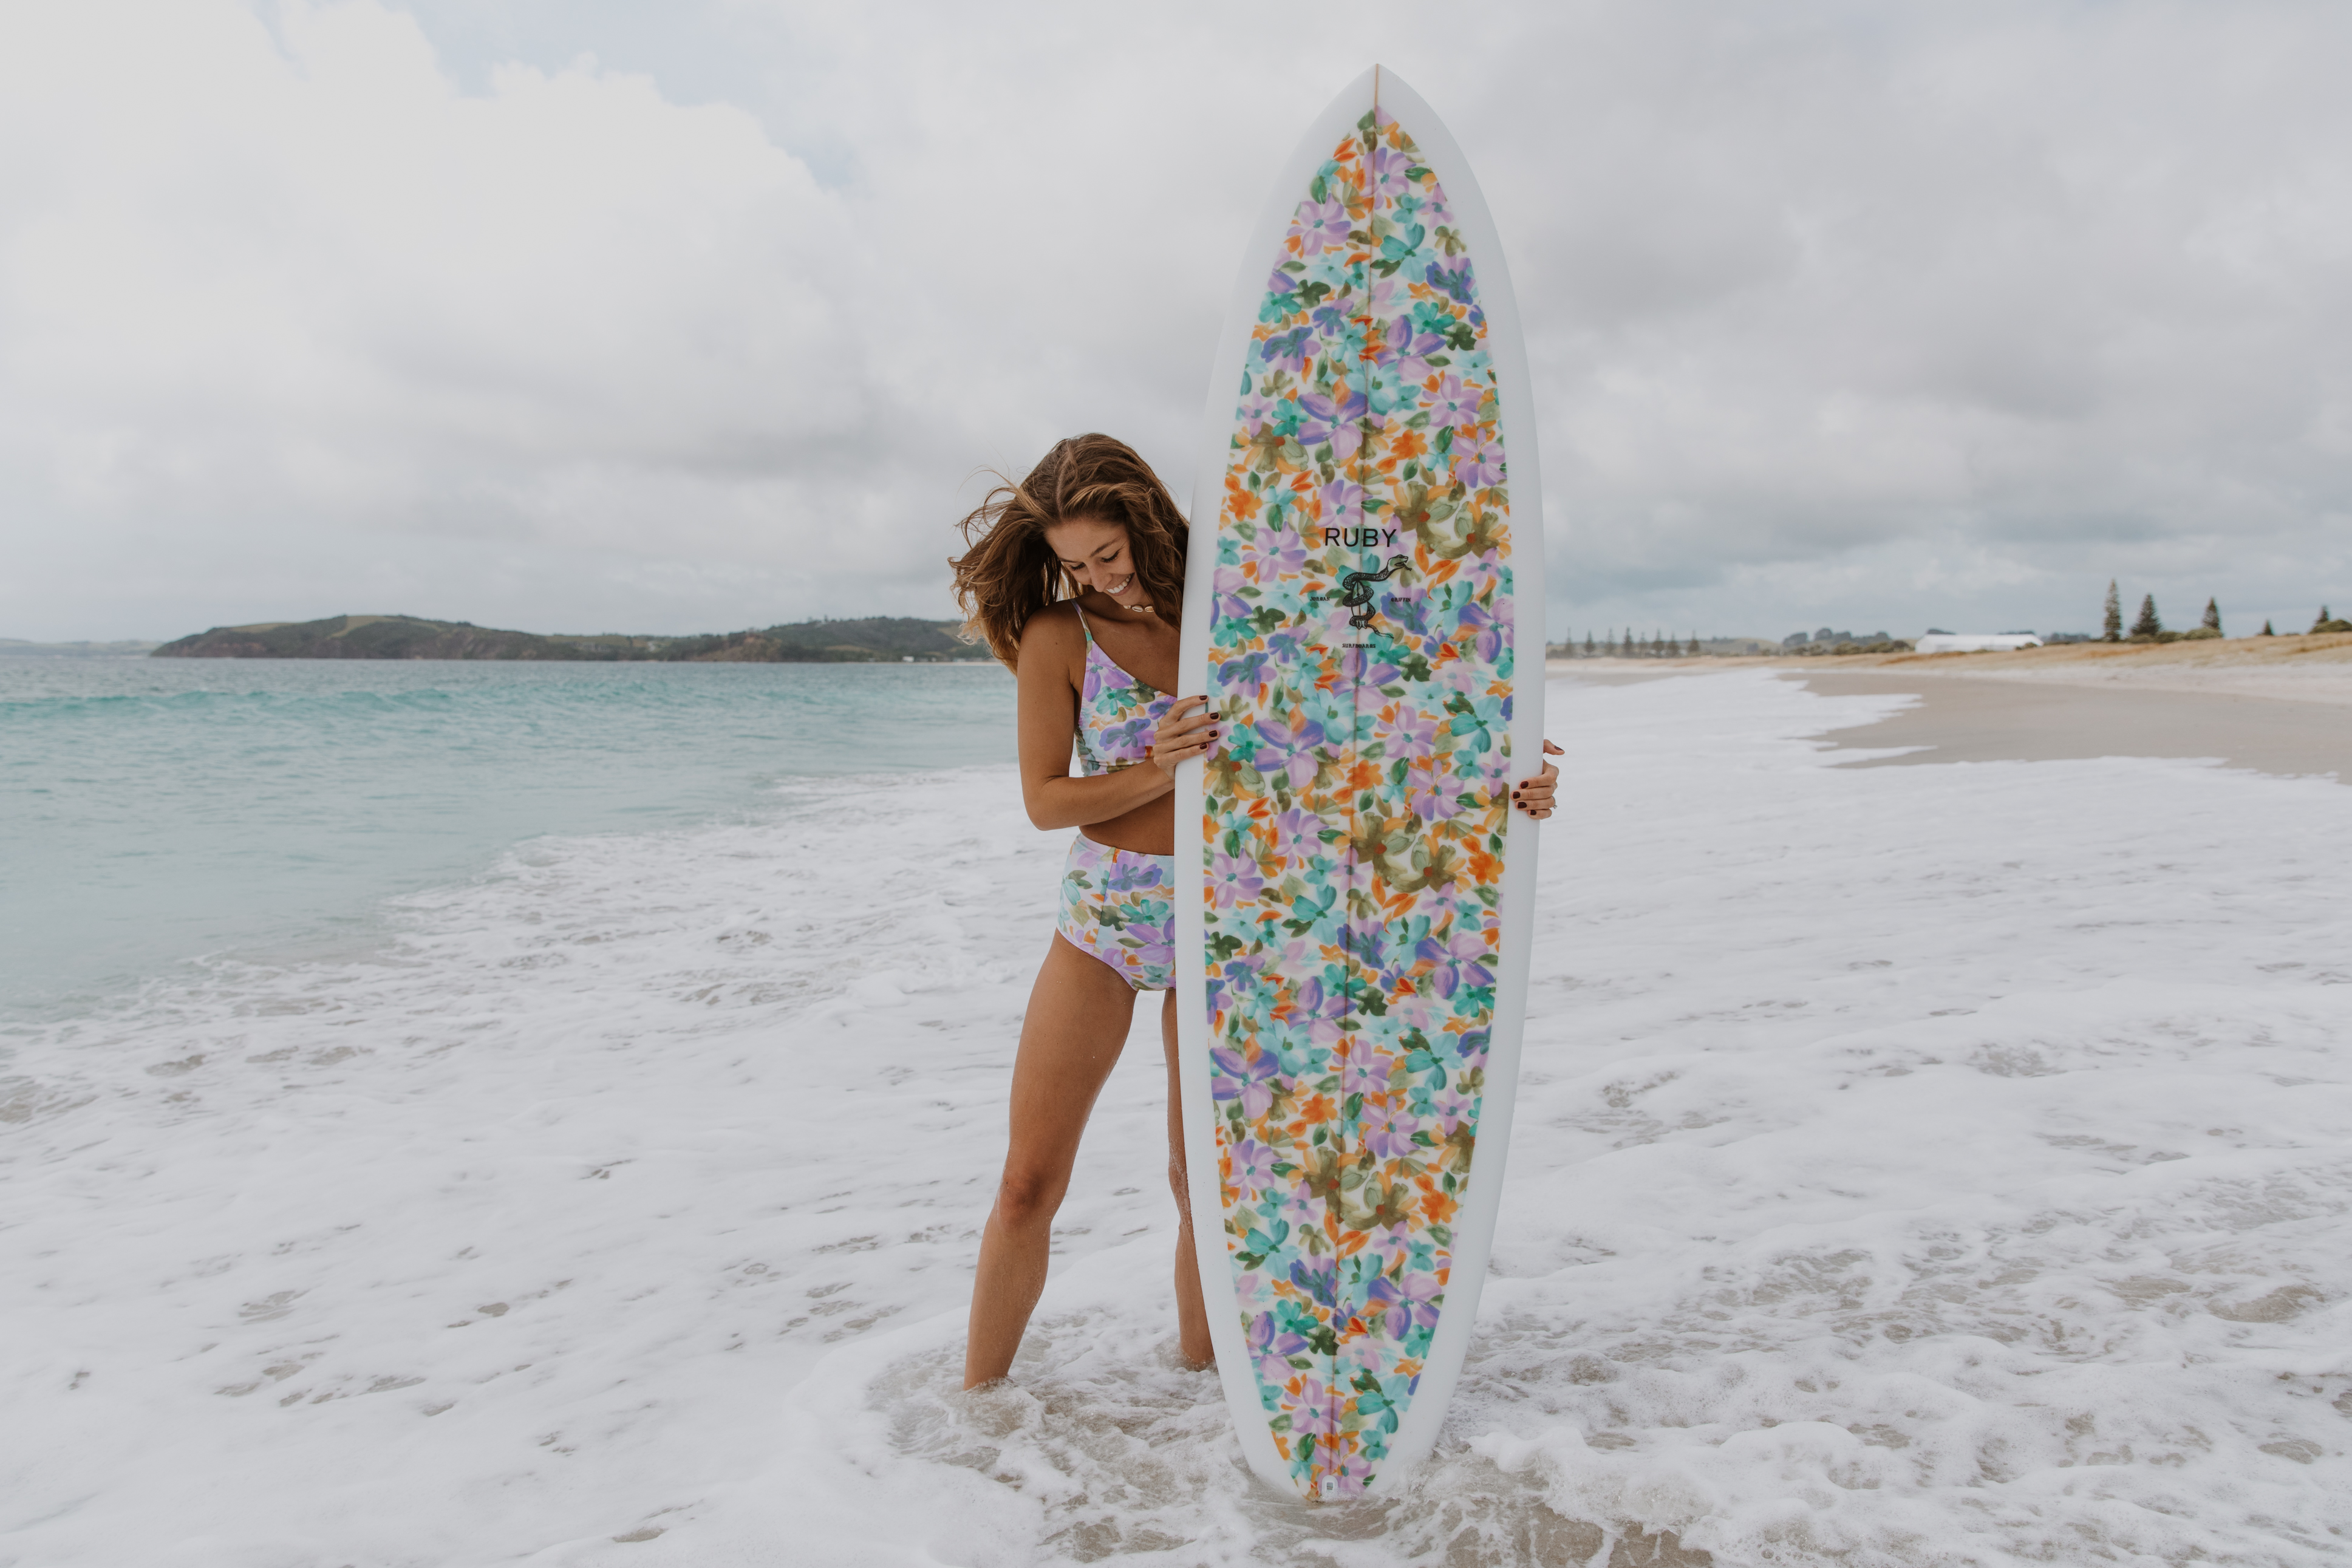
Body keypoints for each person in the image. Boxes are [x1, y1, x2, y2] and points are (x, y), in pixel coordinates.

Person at [949, 432, 1558, 1389]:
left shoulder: (1243, 615)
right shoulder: (1060, 636)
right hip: (1105, 925)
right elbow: (1044, 801)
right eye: (1073, 563)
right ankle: (974, 1409)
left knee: (1206, 1186)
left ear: (1146, 520)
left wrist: (1508, 766)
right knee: (1028, 1183)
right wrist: (1156, 763)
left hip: (1233, 919)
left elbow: (1386, 705)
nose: (1096, 577)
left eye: (1107, 554)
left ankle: (1207, 1402)